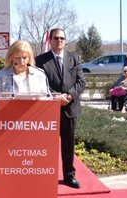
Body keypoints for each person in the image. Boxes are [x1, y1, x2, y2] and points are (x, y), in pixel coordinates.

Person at [35, 28, 86, 189]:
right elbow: (40, 84)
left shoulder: (74, 58)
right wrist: (56, 96)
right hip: (49, 109)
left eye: (62, 38)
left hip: (70, 108)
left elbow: (81, 82)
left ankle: (69, 176)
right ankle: (44, 176)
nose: (59, 41)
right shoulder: (40, 60)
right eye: (56, 38)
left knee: (68, 145)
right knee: (46, 146)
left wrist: (69, 96)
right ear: (50, 40)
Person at [0, 40, 49, 108]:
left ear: (29, 58)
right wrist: (7, 103)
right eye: (17, 57)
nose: (21, 61)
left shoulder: (40, 74)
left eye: (24, 57)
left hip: (36, 116)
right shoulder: (1, 75)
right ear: (11, 58)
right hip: (10, 116)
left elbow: (47, 97)